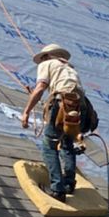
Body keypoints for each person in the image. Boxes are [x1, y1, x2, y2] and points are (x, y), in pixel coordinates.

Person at [20, 43, 86, 200]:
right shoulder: (70, 68)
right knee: (67, 143)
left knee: (49, 145)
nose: (41, 60)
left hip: (61, 103)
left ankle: (58, 188)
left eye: (43, 57)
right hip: (79, 107)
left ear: (47, 56)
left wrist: (26, 112)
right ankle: (69, 183)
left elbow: (41, 87)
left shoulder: (46, 64)